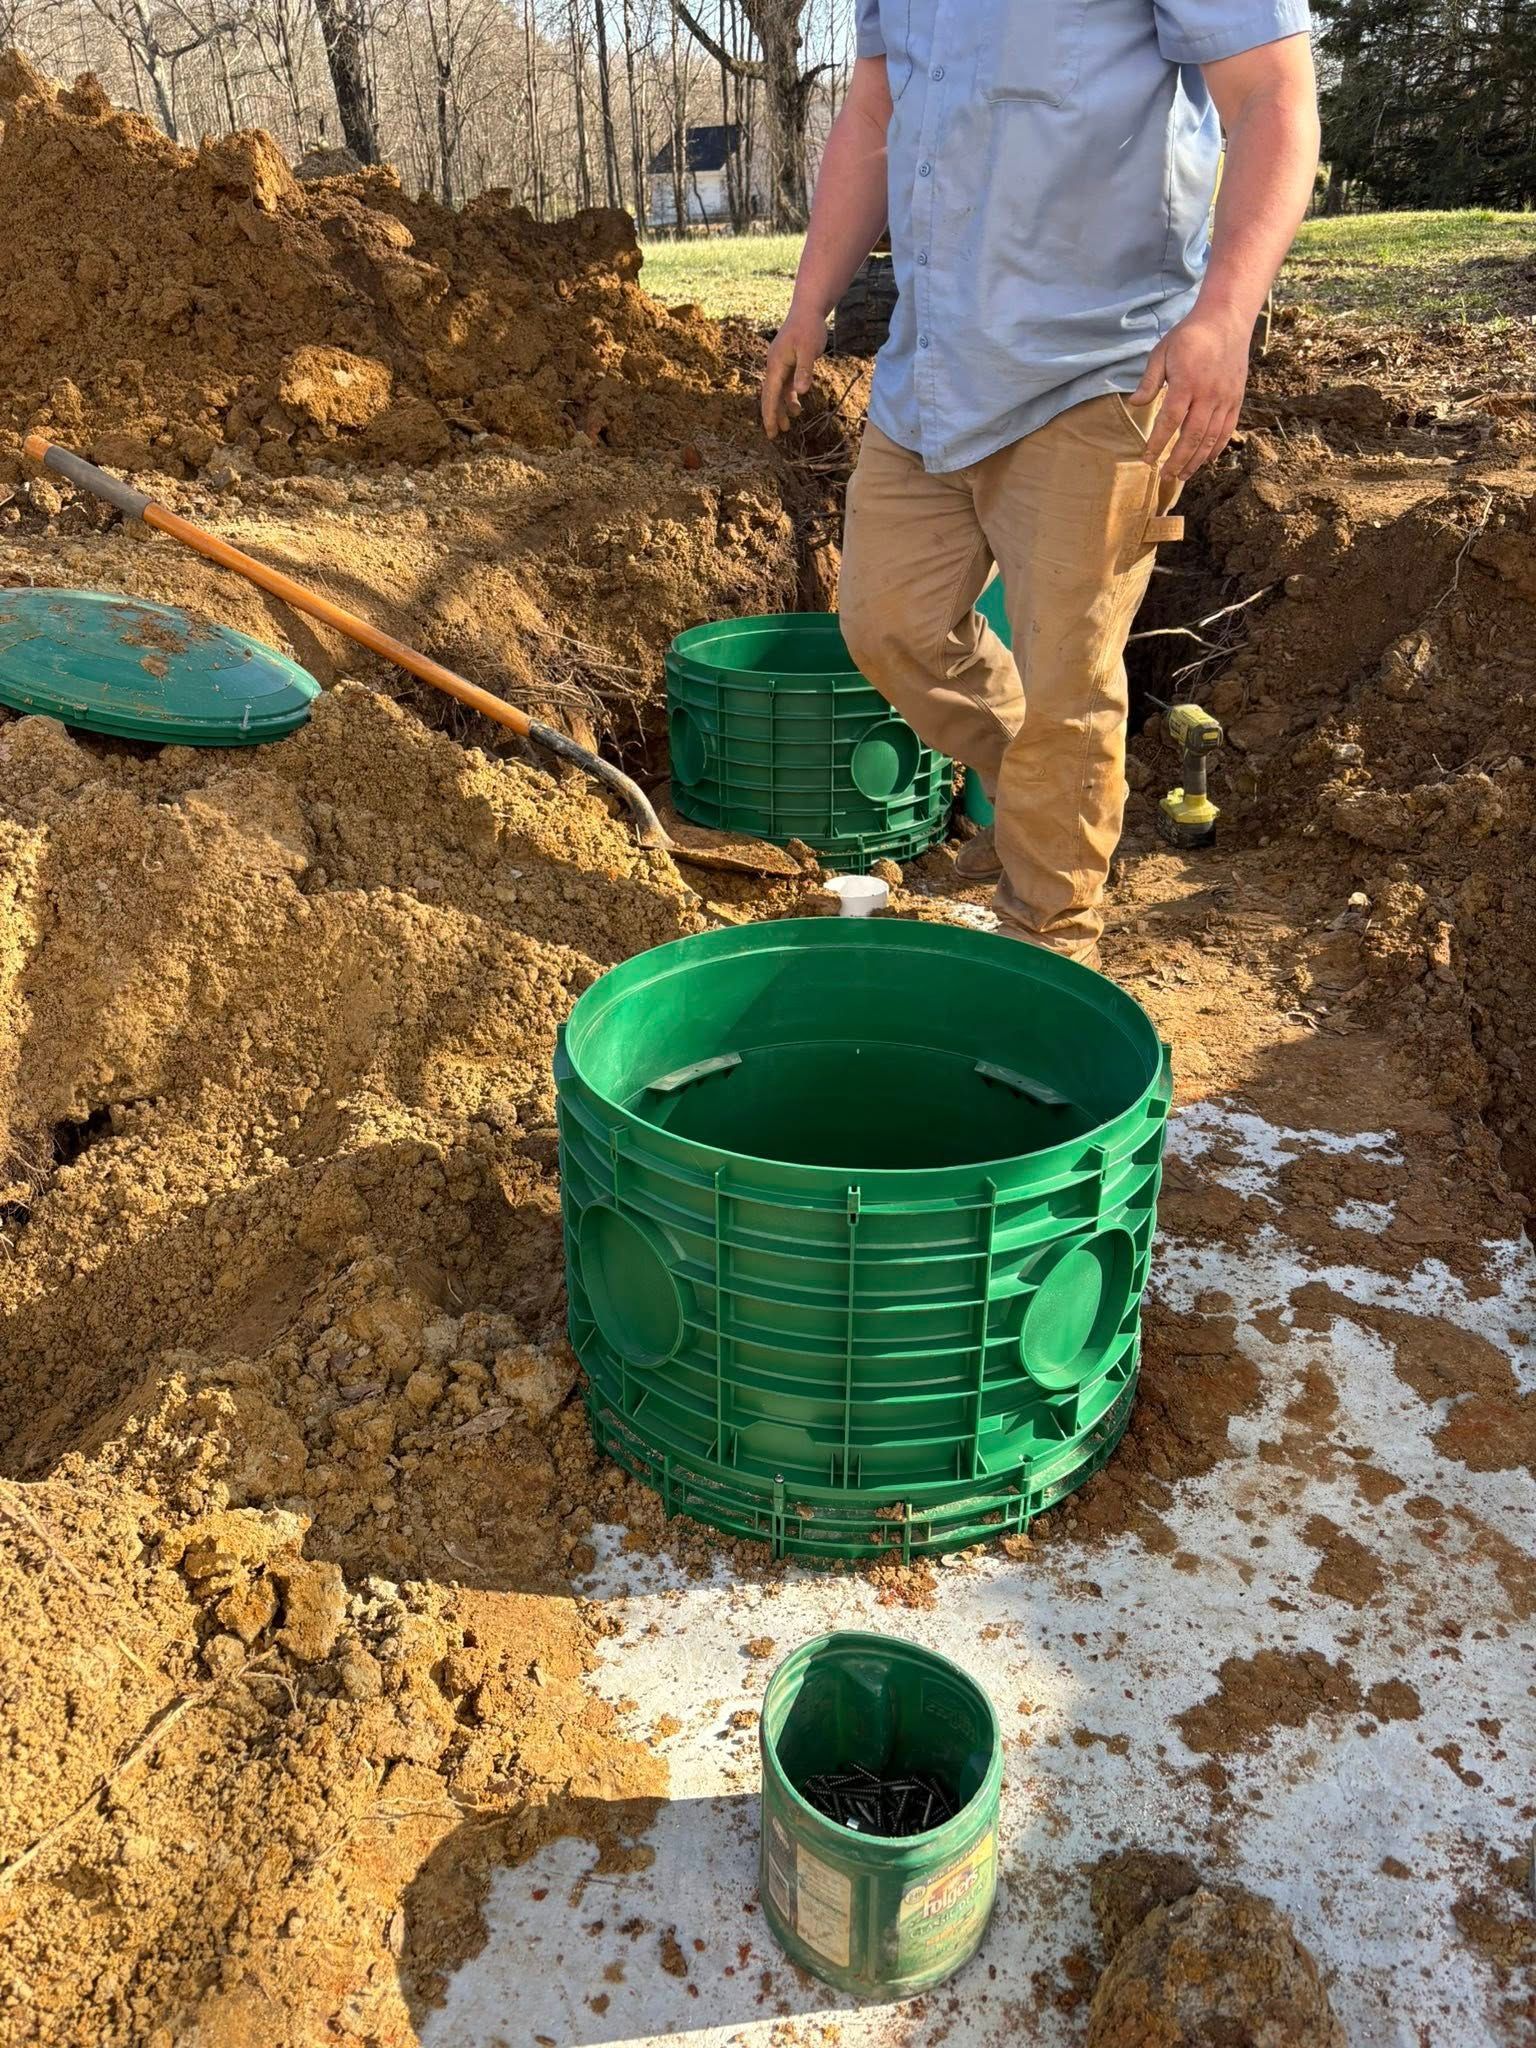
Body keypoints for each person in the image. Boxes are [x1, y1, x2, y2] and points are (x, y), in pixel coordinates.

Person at [762, 0, 1320, 968]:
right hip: (935, 361)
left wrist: (1225, 317)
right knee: (886, 614)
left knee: (1069, 686)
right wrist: (809, 303)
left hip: (1100, 366)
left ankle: (1047, 964)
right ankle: (1049, 793)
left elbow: (1273, 90)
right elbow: (875, 112)